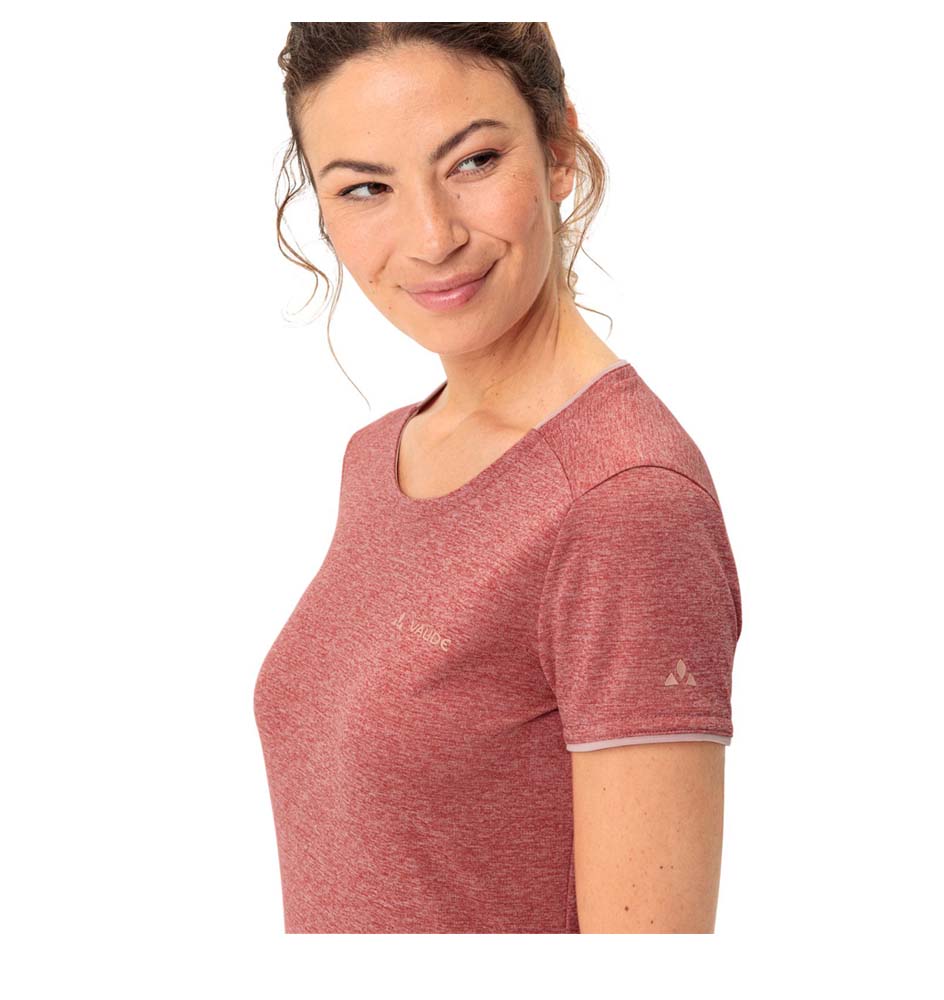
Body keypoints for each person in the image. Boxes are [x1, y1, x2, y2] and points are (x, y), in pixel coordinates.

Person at [253, 22, 743, 934]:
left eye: (474, 162)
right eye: (366, 188)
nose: (431, 237)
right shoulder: (379, 456)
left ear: (559, 151)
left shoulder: (624, 501)